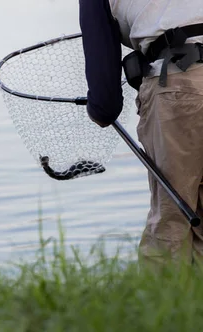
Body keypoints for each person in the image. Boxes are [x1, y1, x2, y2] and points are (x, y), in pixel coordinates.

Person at [78, 0, 203, 270]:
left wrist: (100, 110)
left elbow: (105, 99)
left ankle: (161, 308)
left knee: (172, 219)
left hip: (179, 87)